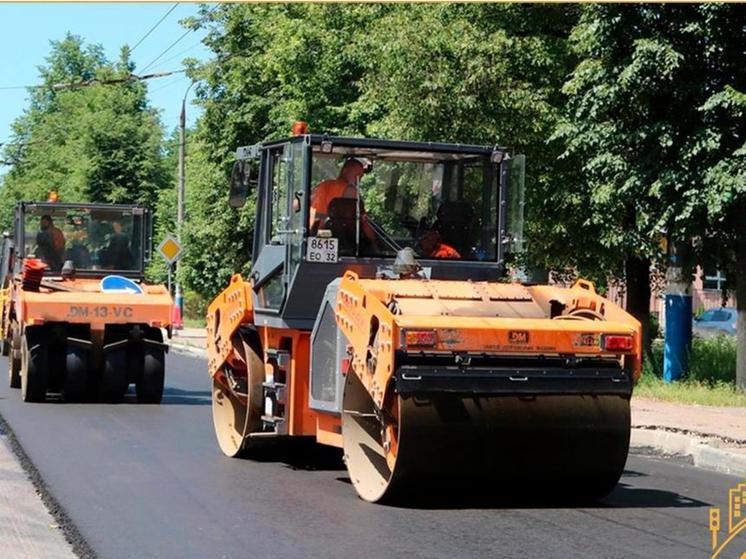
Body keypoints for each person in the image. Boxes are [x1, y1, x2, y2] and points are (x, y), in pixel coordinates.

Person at [309, 158, 365, 227]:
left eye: (360, 176)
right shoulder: (350, 190)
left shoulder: (323, 185)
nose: (359, 179)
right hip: (333, 233)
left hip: (312, 231)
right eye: (357, 175)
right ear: (345, 171)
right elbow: (353, 221)